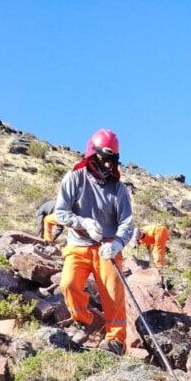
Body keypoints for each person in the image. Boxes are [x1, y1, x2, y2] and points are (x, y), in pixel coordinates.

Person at [52, 128, 133, 355]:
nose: (108, 165)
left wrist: (116, 243)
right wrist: (84, 223)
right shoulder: (74, 179)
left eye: (113, 160)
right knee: (68, 284)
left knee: (113, 292)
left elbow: (127, 223)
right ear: (92, 153)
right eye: (104, 159)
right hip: (78, 245)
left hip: (107, 248)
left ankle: (116, 340)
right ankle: (85, 321)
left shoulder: (118, 189)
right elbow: (60, 213)